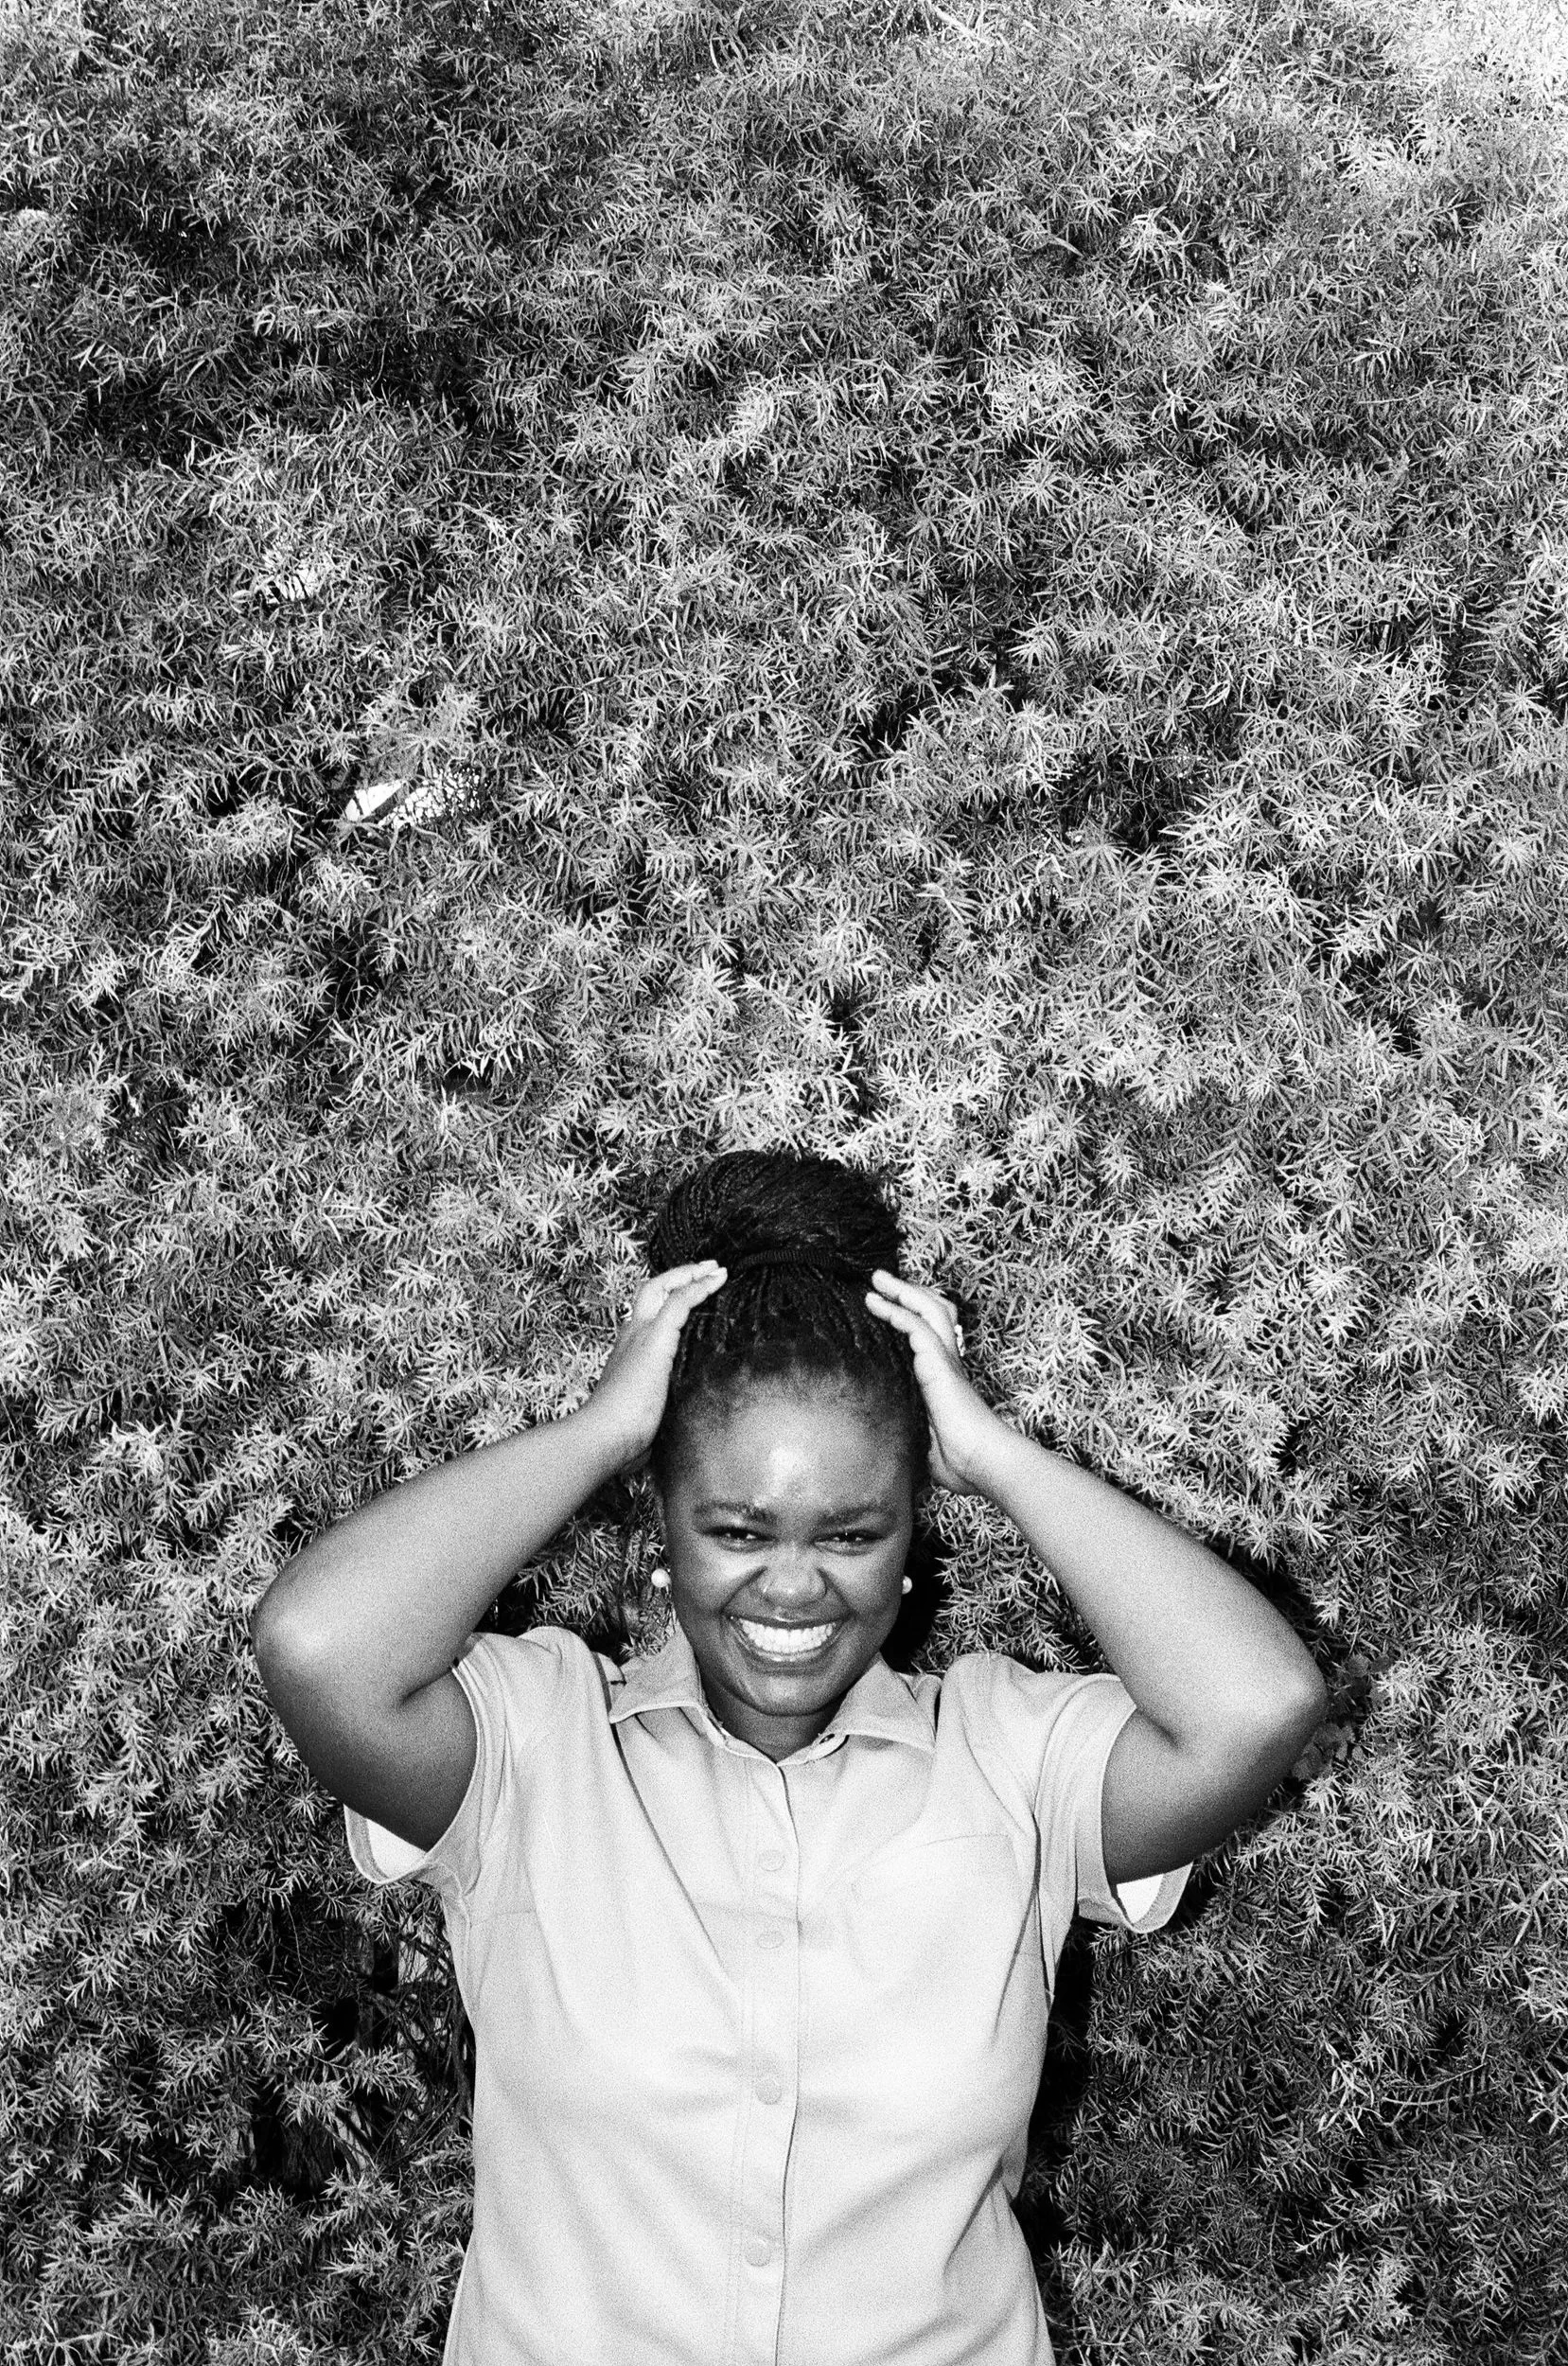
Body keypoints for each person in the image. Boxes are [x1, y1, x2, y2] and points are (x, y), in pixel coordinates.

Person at [251, 1148, 1326, 2366]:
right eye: (737, 1526)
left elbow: (1256, 1704)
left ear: (912, 1534)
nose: (795, 1583)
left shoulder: (1013, 1758)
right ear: (663, 1521)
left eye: (854, 1530)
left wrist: (992, 1455)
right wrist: (605, 1428)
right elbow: (316, 1641)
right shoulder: (529, 1746)